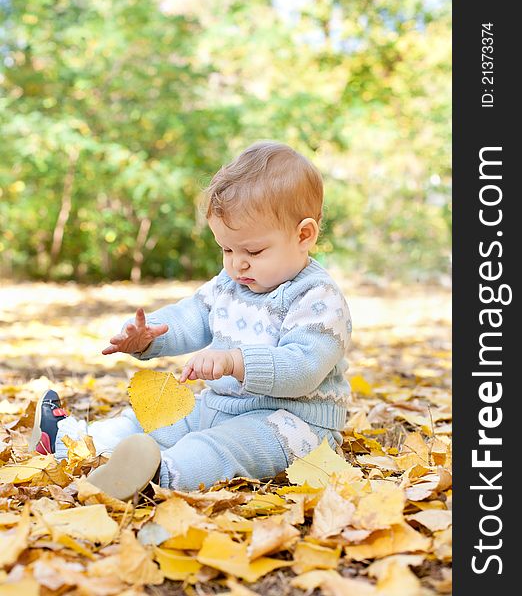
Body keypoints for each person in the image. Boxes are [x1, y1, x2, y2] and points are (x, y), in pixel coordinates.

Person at [30, 141, 352, 500]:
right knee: (155, 420)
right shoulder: (230, 284)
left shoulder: (317, 297)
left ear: (303, 235)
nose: (237, 264)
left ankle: (157, 477)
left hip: (293, 424)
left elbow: (303, 367)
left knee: (219, 447)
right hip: (220, 406)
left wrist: (235, 360)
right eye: (227, 249)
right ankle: (69, 441)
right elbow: (193, 315)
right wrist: (151, 336)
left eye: (253, 251)